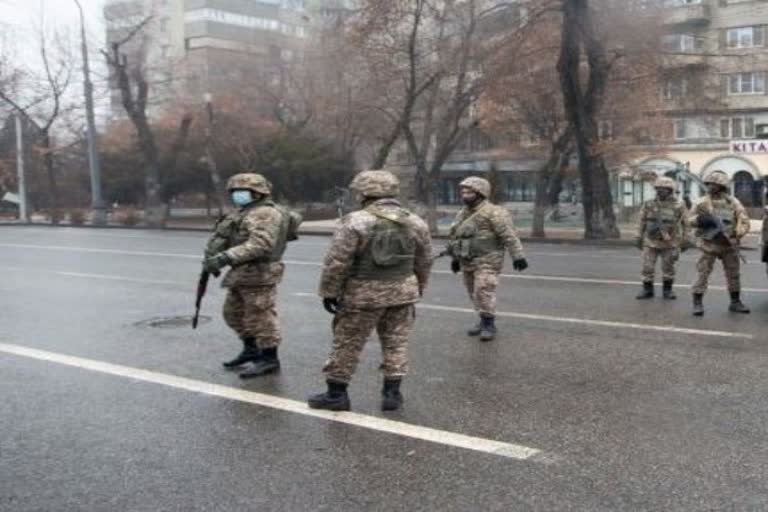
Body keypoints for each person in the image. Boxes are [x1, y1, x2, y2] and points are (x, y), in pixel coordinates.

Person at [308, 170, 433, 412]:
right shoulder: (415, 221)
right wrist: (418, 287)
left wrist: (329, 291)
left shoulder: (355, 221)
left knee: (347, 343)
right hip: (403, 292)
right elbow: (425, 260)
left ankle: (337, 395)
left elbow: (337, 261)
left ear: (365, 192)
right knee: (396, 342)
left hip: (363, 295)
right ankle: (392, 394)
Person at [203, 173, 300, 378]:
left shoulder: (265, 213)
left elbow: (261, 245)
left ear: (258, 192)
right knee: (234, 313)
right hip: (242, 271)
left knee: (261, 316)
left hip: (260, 272)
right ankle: (251, 350)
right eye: (235, 191)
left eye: (243, 191)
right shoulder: (246, 211)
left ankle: (269, 359)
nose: (238, 194)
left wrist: (225, 257)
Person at [448, 177, 528, 341]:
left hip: (488, 259)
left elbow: (509, 235)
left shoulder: (494, 212)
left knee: (483, 289)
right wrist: (455, 258)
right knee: (473, 292)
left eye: (469, 192)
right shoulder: (462, 213)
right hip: (467, 259)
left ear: (480, 193)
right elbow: (456, 237)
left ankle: (489, 324)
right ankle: (482, 319)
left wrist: (518, 256)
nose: (464, 195)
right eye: (463, 191)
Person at [688, 170, 751, 316]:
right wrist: (700, 220)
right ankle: (697, 303)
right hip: (708, 244)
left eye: (715, 184)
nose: (711, 187)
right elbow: (688, 220)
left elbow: (744, 220)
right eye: (710, 184)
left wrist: (736, 234)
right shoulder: (701, 202)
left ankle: (735, 302)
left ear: (722, 186)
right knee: (702, 273)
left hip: (728, 244)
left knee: (733, 274)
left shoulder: (733, 202)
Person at [635, 177, 689, 300]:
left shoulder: (679, 205)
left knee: (668, 267)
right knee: (647, 267)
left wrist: (686, 240)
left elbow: (686, 224)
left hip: (670, 242)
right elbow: (641, 220)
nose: (659, 191)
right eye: (657, 188)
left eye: (662, 189)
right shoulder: (649, 204)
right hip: (651, 241)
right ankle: (647, 289)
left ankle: (668, 290)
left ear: (670, 190)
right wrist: (638, 236)